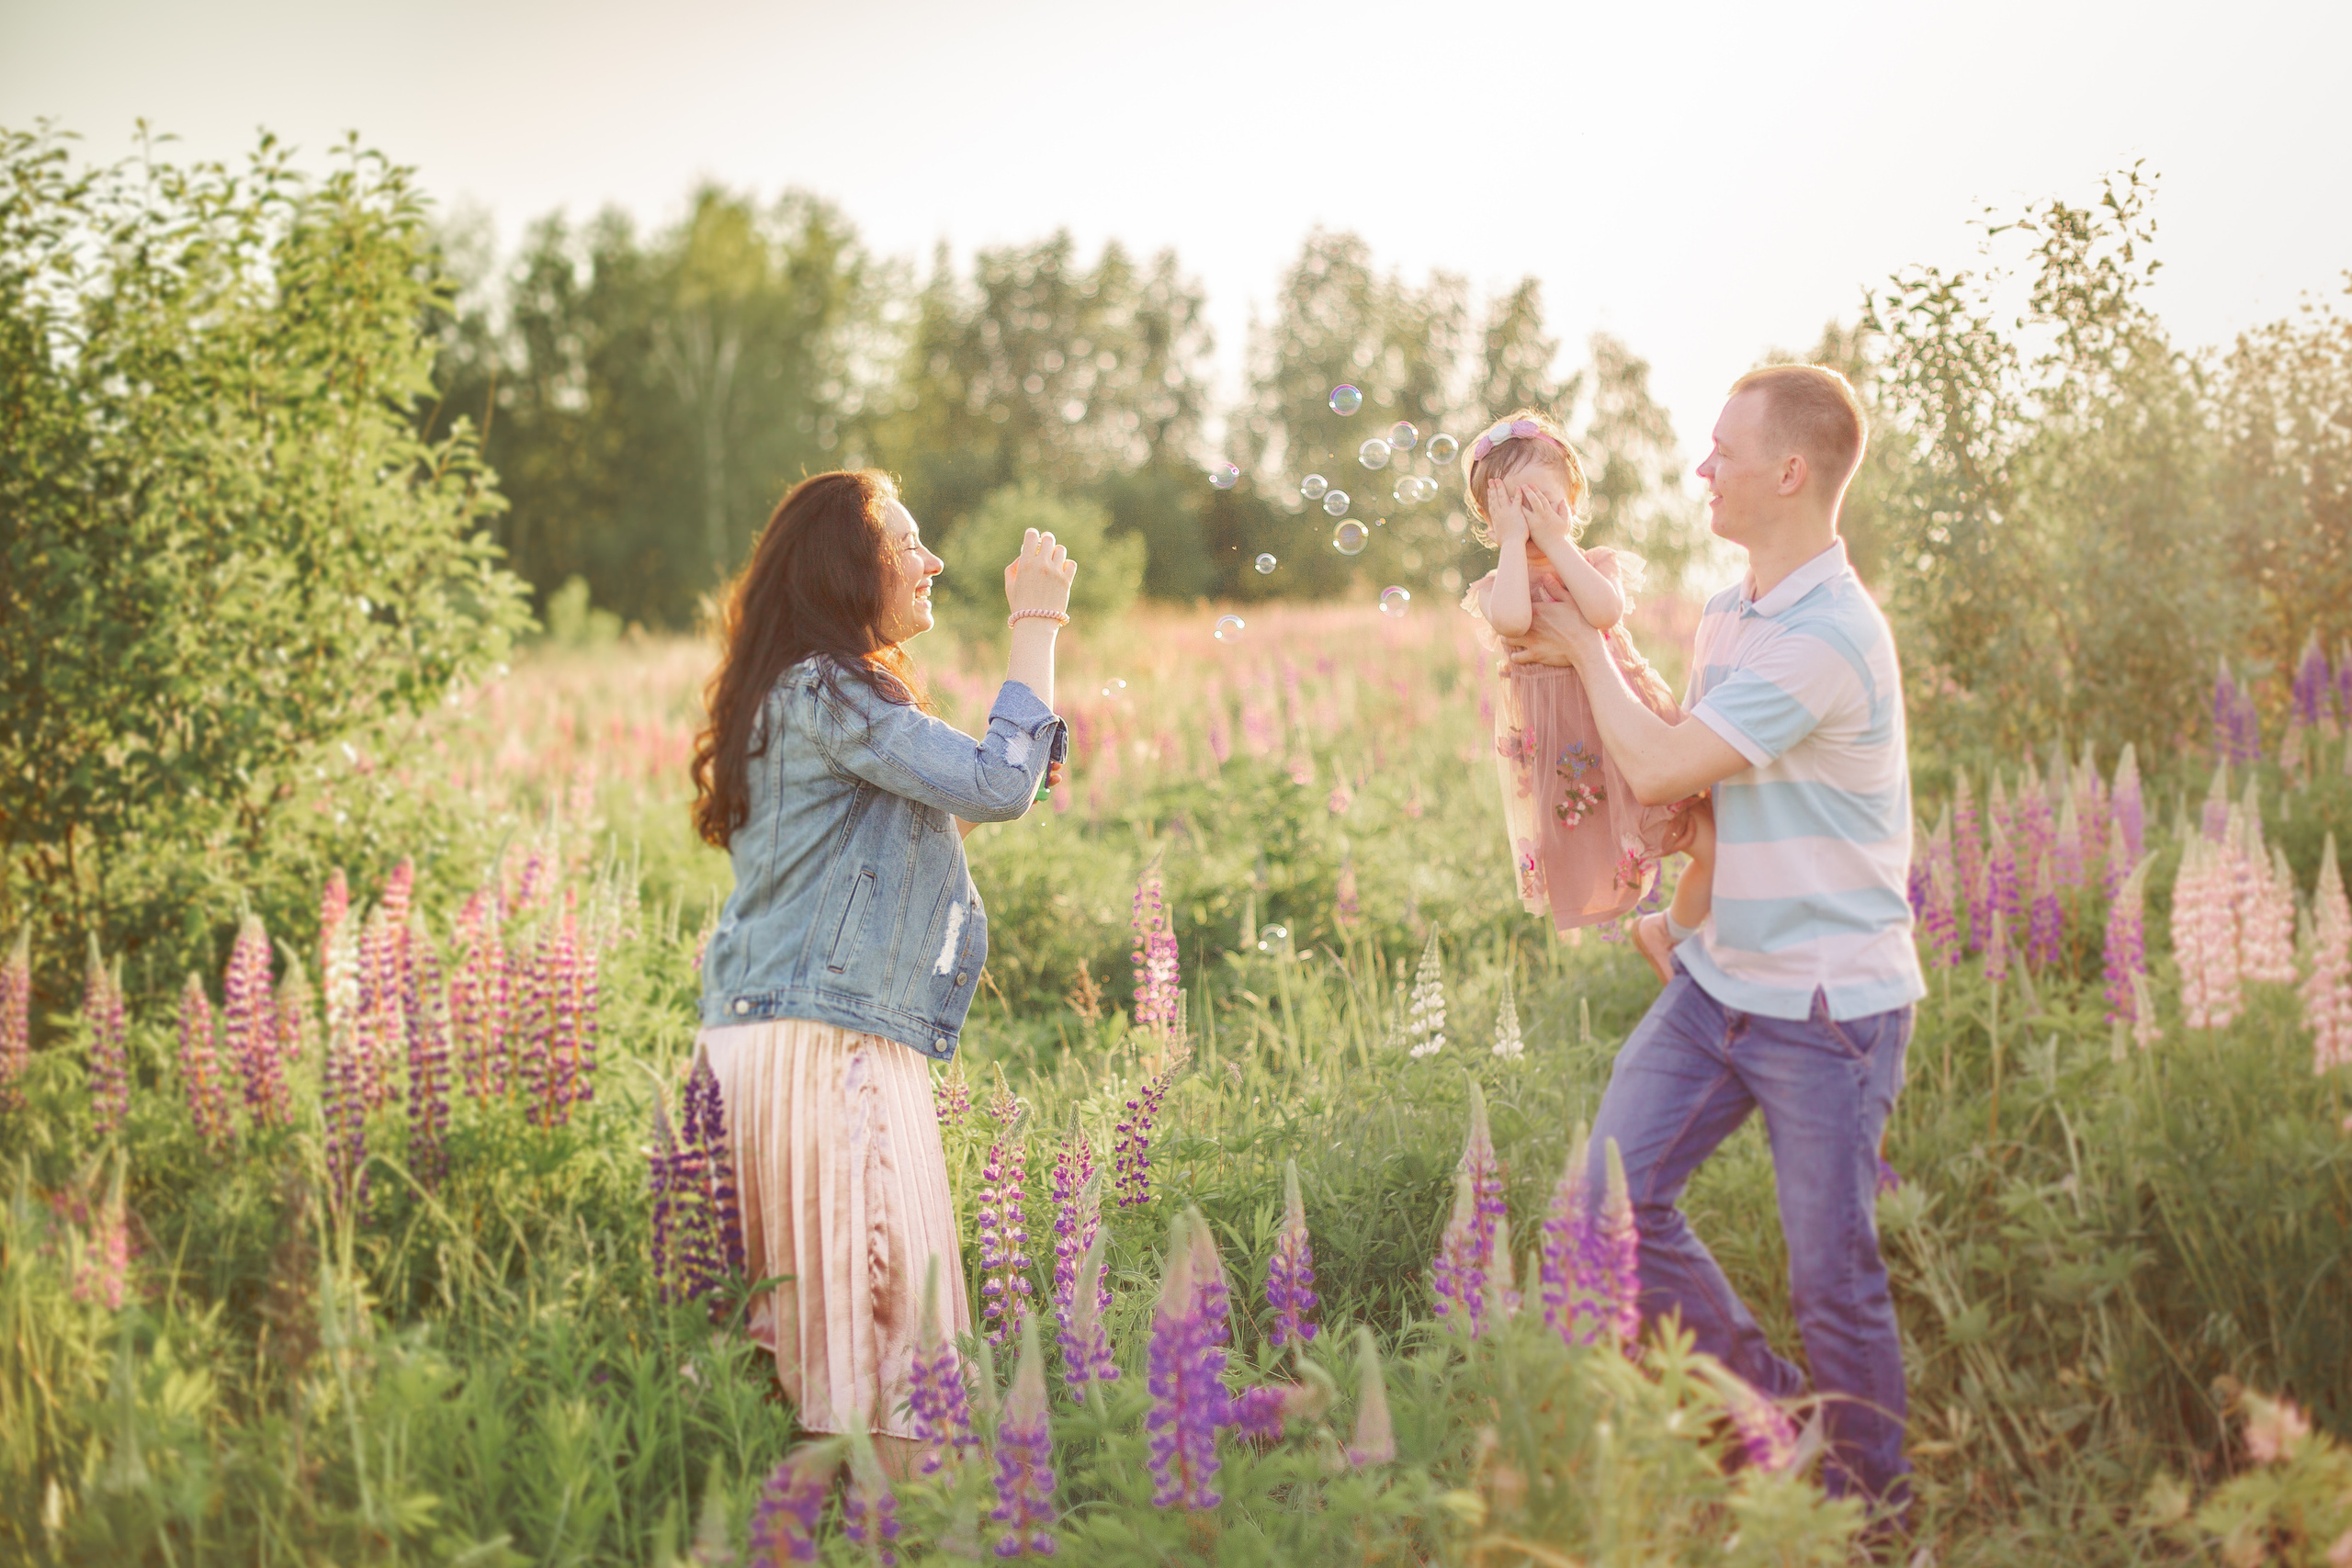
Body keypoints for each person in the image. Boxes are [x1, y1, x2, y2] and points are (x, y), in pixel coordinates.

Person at [1500, 366, 1923, 1523]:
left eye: (1721, 451)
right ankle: (1780, 1433)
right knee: (1600, 1213)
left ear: (1788, 473)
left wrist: (1584, 648)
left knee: (1831, 1282)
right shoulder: (1734, 611)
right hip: (1719, 984)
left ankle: (1876, 1530)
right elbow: (1705, 802)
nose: (1701, 470)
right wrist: (1677, 919)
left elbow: (1662, 764)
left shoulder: (1830, 635)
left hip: (1831, 1009)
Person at [687, 468, 1076, 1477]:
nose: (932, 559)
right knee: (883, 1360)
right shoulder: (828, 688)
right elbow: (998, 783)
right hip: (832, 1048)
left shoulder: (794, 691)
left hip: (768, 1041)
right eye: (906, 542)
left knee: (817, 1358)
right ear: (845, 569)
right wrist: (1035, 623)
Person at [1457, 408, 1715, 953]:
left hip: (1624, 718)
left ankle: (1681, 932)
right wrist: (1513, 545)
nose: (1530, 521)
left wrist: (1556, 543)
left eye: (1543, 504)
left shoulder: (1593, 563)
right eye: (1513, 509)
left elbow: (1602, 612)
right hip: (1569, 744)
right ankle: (1675, 940)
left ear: (1571, 505)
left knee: (1699, 830)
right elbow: (1512, 621)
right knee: (1613, 832)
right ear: (1491, 520)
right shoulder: (1497, 586)